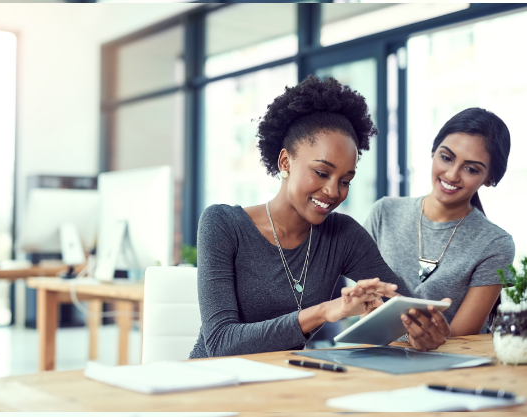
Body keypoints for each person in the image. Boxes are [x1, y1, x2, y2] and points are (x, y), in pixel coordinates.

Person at [190, 75, 451, 359]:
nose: (332, 191)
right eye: (322, 172)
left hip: (286, 382)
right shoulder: (222, 224)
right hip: (213, 382)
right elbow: (220, 342)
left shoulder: (344, 235)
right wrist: (324, 312)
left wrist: (420, 328)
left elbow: (399, 304)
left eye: (345, 180)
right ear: (285, 162)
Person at [364, 108, 514, 337]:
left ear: (489, 178)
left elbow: (462, 338)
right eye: (446, 158)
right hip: (376, 355)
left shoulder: (495, 244)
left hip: (450, 365)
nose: (452, 175)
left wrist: (430, 341)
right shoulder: (384, 213)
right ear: (434, 152)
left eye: (471, 169)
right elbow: (362, 303)